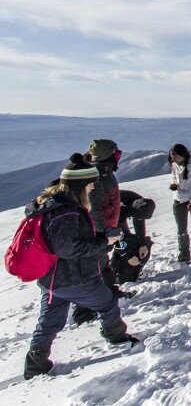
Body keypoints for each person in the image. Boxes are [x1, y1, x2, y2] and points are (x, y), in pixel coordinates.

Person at [22, 154, 138, 380]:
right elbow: (68, 248)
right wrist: (104, 242)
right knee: (107, 302)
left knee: (48, 323)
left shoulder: (54, 204)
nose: (93, 187)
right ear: (79, 184)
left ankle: (35, 366)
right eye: (90, 183)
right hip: (75, 278)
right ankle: (117, 338)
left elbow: (68, 242)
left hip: (53, 280)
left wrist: (101, 237)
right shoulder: (66, 211)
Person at [73, 139, 124, 324]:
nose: (119, 156)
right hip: (97, 232)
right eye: (116, 153)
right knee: (93, 269)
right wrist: (102, 231)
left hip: (104, 229)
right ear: (108, 155)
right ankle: (83, 311)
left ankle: (110, 290)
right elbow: (93, 207)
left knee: (102, 264)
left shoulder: (104, 172)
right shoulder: (97, 176)